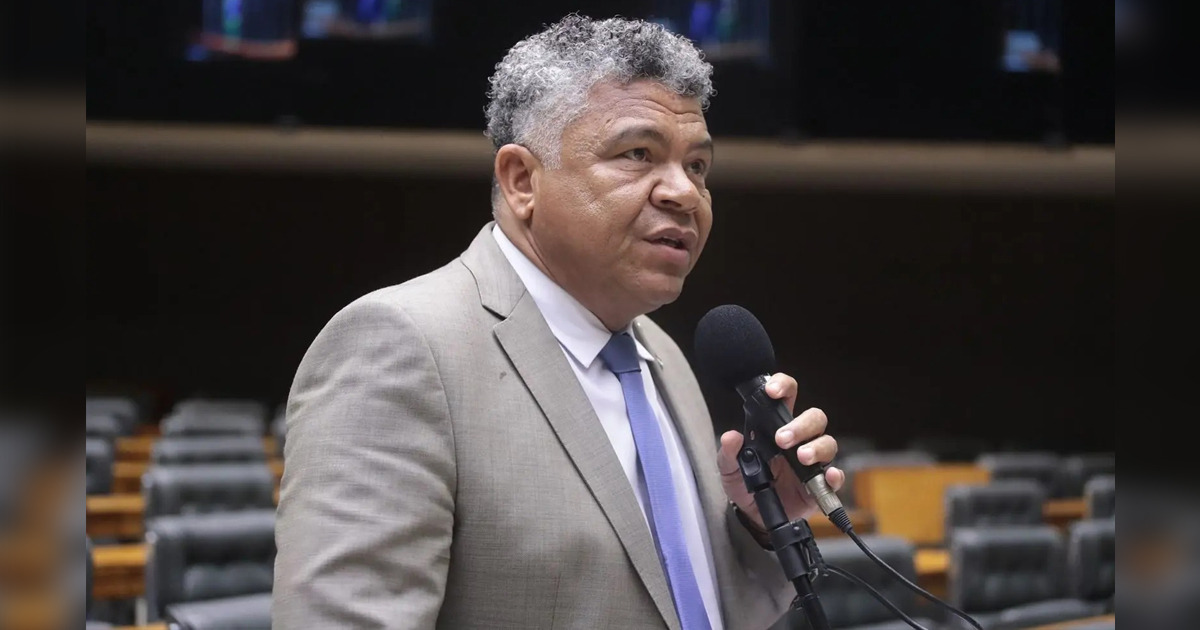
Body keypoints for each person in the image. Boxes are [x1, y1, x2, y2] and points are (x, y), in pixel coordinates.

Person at [272, 14, 844, 630]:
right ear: (522, 180)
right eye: (638, 154)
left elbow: (678, 604)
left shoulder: (661, 356)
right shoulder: (401, 347)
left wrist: (759, 525)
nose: (683, 192)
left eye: (698, 166)